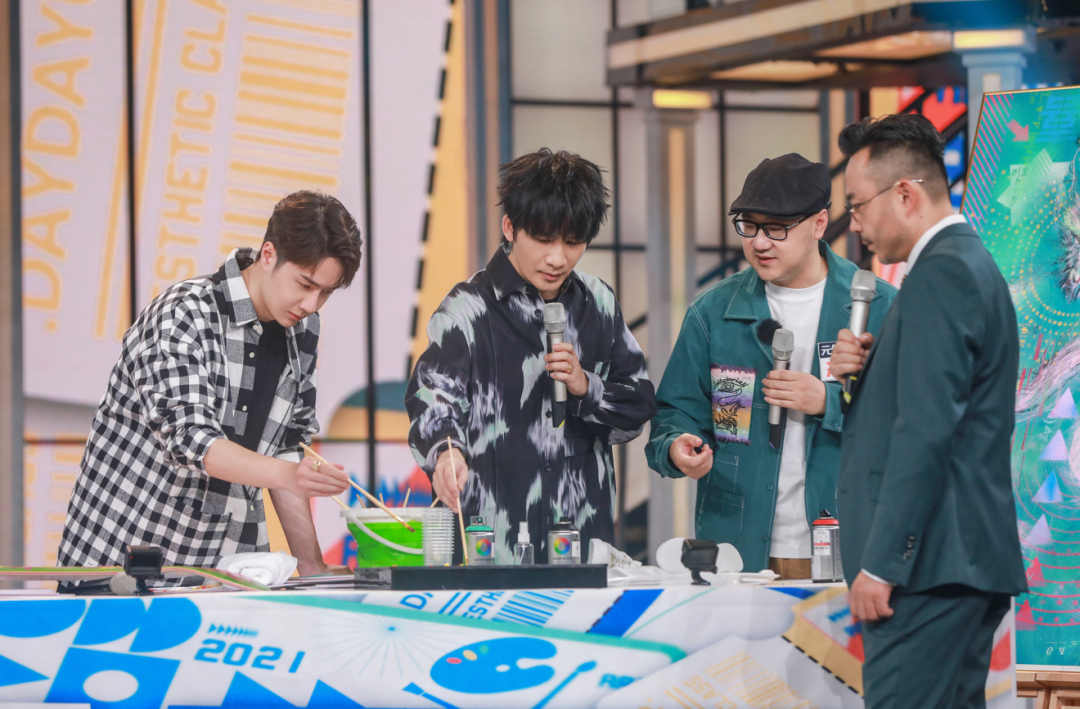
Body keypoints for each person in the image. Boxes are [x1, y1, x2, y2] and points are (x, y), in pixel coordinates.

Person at [830, 114, 1026, 708]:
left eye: (857, 205)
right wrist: (870, 374)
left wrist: (884, 564)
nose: (854, 223)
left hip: (929, 570)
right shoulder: (965, 263)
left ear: (905, 194)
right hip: (954, 563)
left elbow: (925, 428)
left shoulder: (942, 273)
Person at [59, 190, 360, 578]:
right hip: (126, 554)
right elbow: (192, 439)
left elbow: (287, 447)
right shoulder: (184, 312)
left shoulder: (303, 329)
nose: (311, 305)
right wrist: (289, 474)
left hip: (227, 565)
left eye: (325, 293)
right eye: (304, 284)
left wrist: (311, 566)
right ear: (269, 255)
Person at [645, 153, 896, 579]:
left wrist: (828, 402)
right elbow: (674, 411)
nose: (760, 243)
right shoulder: (714, 312)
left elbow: (910, 418)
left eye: (777, 227)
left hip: (849, 542)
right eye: (749, 225)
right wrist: (675, 445)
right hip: (736, 548)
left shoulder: (875, 306)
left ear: (819, 223)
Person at [406, 148, 656, 563]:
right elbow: (433, 398)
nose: (558, 258)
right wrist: (446, 455)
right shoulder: (467, 309)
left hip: (582, 543)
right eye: (543, 239)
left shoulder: (598, 302)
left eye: (573, 242)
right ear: (510, 227)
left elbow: (637, 406)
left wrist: (585, 387)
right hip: (492, 546)